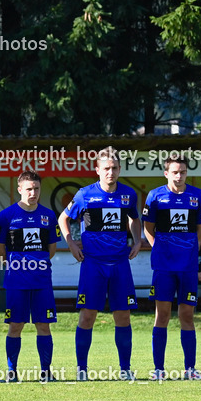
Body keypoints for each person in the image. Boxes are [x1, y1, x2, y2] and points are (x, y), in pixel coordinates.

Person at [58, 148, 141, 381]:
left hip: (120, 264)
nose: (110, 172)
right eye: (106, 168)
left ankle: (125, 369)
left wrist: (137, 240)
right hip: (93, 264)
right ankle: (82, 369)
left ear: (119, 170)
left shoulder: (128, 195)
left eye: (114, 168)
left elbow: (134, 218)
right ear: (97, 170)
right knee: (87, 315)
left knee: (123, 316)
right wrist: (71, 244)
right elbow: (63, 218)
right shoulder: (85, 194)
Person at [142, 156, 201, 381]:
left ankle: (190, 368)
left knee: (187, 316)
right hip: (163, 266)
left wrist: (192, 247)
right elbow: (148, 228)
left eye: (182, 172)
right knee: (161, 316)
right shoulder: (155, 196)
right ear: (166, 174)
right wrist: (158, 248)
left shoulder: (198, 196)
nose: (179, 176)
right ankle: (158, 369)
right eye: (175, 172)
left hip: (188, 266)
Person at [0, 170, 60, 383]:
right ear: (20, 189)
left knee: (43, 325)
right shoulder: (6, 216)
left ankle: (46, 372)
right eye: (29, 189)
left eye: (37, 188)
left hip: (41, 281)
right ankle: (12, 372)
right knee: (16, 325)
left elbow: (51, 249)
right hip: (16, 282)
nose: (33, 192)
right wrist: (18, 267)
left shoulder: (48, 216)